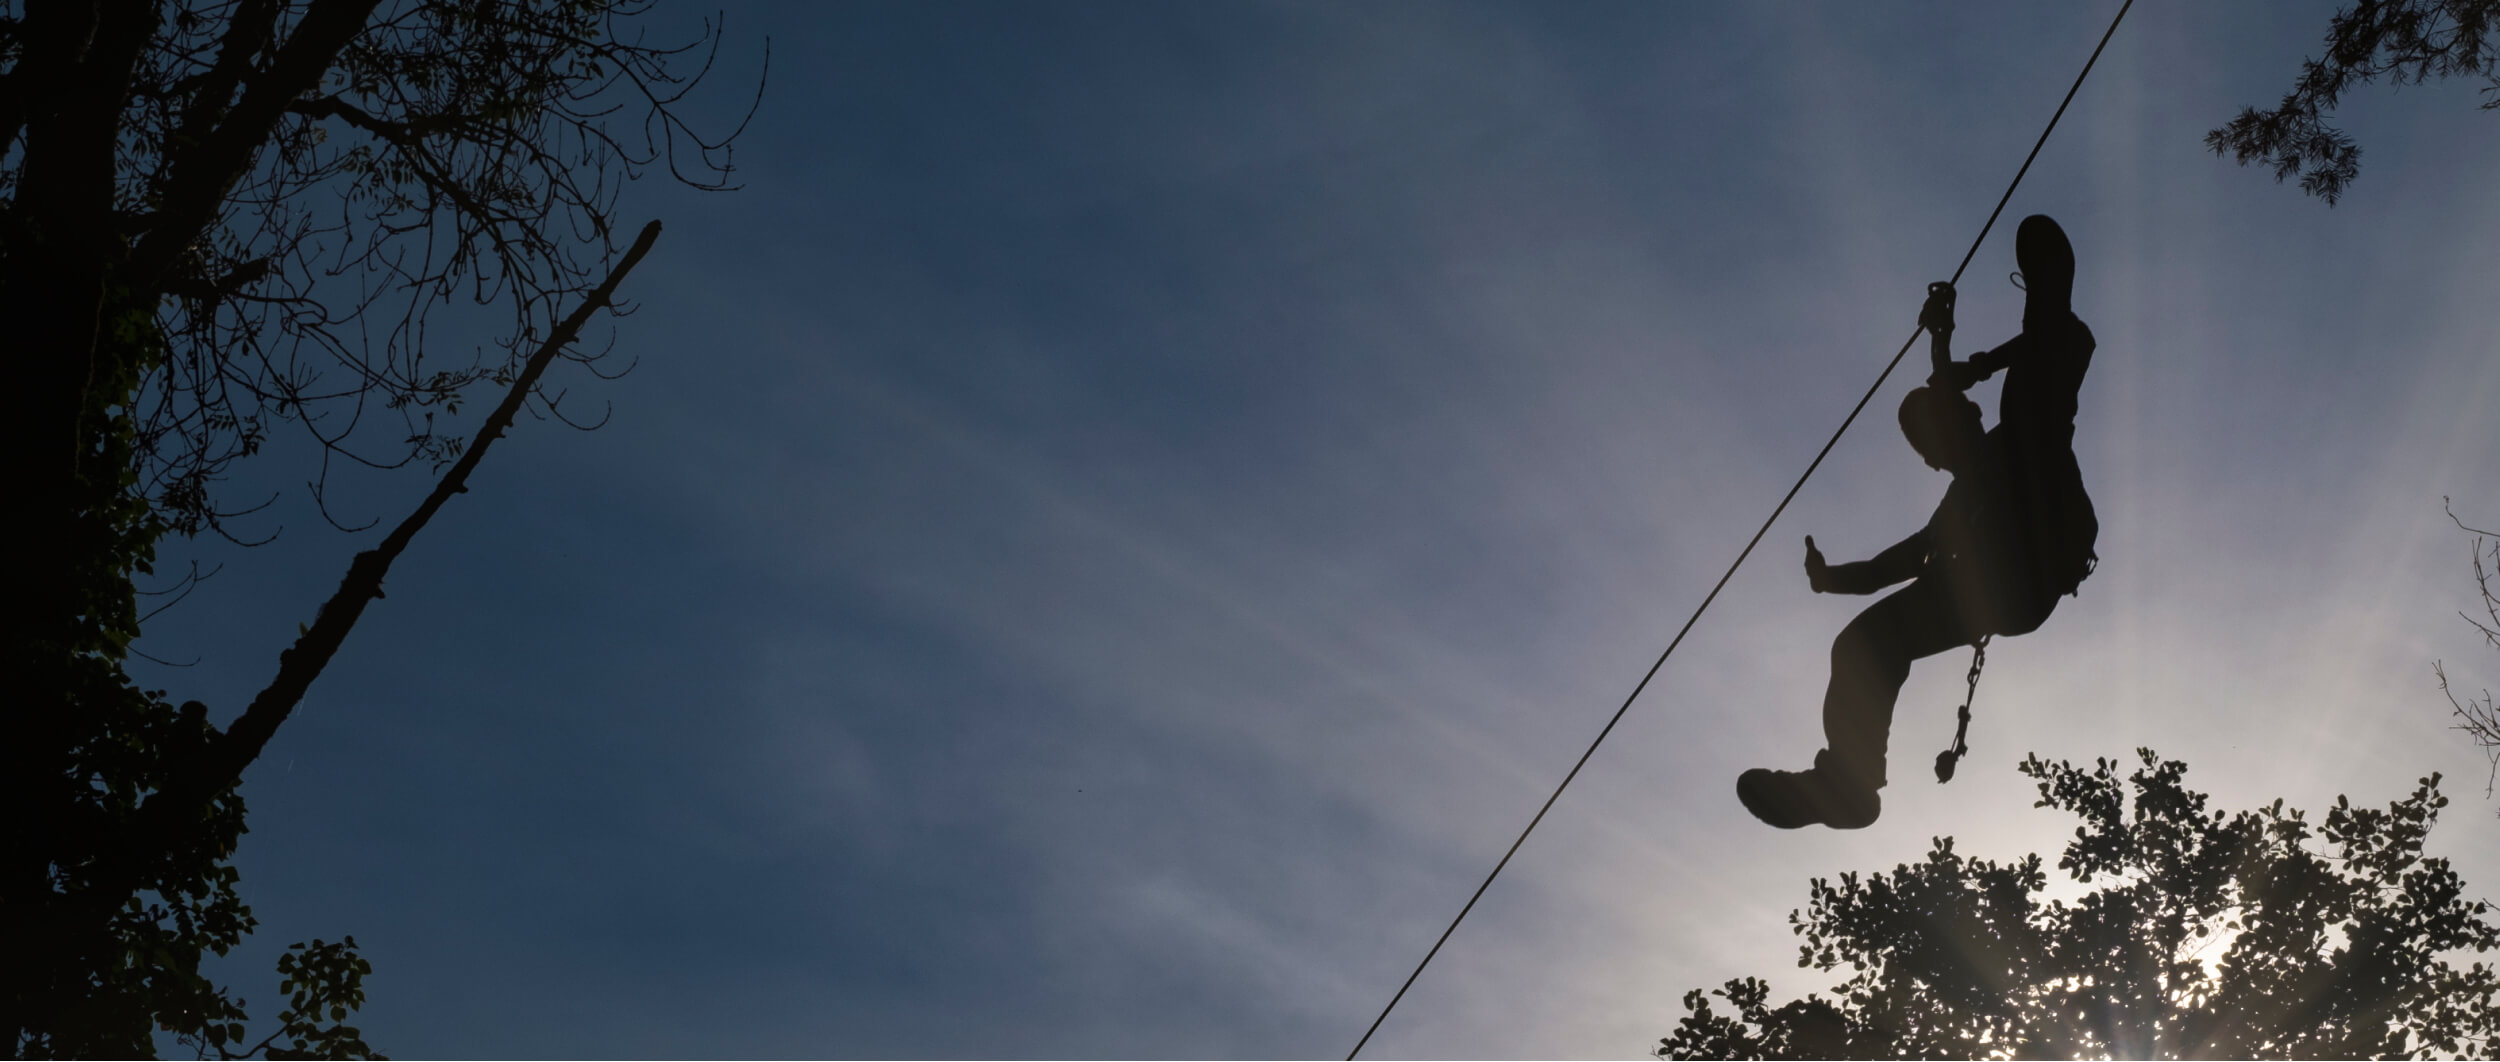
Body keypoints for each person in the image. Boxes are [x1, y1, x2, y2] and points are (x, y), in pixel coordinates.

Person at [1738, 215, 2098, 830]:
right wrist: (1827, 581)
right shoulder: (1960, 505)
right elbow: (1892, 566)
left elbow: (2046, 359)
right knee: (1862, 645)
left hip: (2029, 557)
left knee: (2031, 402)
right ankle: (1846, 783)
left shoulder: (2013, 438)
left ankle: (2048, 299)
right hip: (2004, 589)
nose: (1940, 439)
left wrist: (1961, 357)